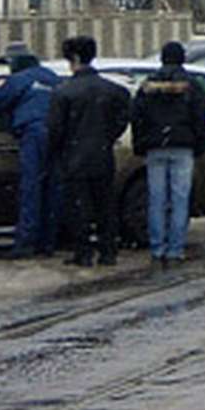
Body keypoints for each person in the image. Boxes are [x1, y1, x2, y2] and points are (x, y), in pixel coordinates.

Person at [0, 49, 61, 259]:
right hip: (57, 136)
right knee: (51, 190)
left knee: (31, 188)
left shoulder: (20, 79)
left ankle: (25, 243)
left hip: (34, 135)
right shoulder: (52, 78)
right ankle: (47, 243)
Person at [46, 35, 131, 267]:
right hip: (103, 154)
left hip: (74, 156)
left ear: (73, 58)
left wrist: (57, 151)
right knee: (105, 205)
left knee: (79, 207)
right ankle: (108, 251)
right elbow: (123, 118)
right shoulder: (113, 90)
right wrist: (107, 135)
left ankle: (83, 252)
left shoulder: (63, 93)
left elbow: (55, 129)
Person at [131, 40, 205, 268]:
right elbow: (200, 119)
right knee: (180, 199)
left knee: (156, 199)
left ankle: (157, 247)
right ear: (182, 58)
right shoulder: (191, 85)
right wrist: (199, 144)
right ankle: (176, 248)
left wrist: (141, 143)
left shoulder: (148, 86)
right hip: (183, 146)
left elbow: (137, 116)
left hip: (155, 147)